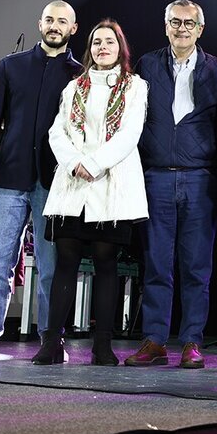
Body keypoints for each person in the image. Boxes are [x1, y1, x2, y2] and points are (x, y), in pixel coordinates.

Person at [0, 1, 83, 360]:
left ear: (73, 28)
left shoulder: (80, 74)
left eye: (62, 21)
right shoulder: (10, 66)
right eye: (49, 20)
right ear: (40, 23)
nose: (55, 26)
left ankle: (51, 338)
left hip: (54, 183)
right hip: (8, 178)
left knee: (50, 267)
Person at [33, 19, 149, 366]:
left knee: (105, 263)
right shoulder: (74, 87)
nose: (102, 48)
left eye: (109, 42)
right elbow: (57, 132)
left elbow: (130, 133)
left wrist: (95, 164)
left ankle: (102, 346)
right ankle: (52, 342)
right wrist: (74, 163)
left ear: (120, 48)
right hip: (73, 185)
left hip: (110, 184)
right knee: (65, 261)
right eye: (97, 42)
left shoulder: (134, 86)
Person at [126, 0, 217, 369]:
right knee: (156, 264)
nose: (181, 28)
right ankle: (154, 340)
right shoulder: (147, 65)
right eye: (175, 22)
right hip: (156, 176)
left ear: (200, 29)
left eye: (189, 23)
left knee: (197, 267)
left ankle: (192, 341)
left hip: (200, 178)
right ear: (165, 25)